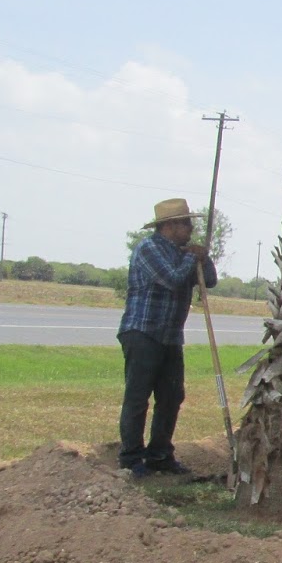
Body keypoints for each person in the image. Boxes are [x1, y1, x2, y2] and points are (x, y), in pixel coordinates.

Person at [117, 197, 217, 477]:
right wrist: (190, 257)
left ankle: (160, 454)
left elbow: (208, 281)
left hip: (171, 336)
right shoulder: (148, 249)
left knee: (172, 395)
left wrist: (203, 256)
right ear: (170, 226)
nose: (190, 229)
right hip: (142, 332)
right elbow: (172, 279)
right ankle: (131, 457)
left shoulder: (182, 252)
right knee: (138, 396)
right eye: (186, 223)